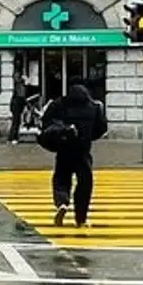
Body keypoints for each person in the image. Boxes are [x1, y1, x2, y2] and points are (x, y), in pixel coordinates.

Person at [40, 83, 107, 227]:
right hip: (83, 150)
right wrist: (88, 136)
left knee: (61, 178)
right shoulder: (94, 107)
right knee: (85, 183)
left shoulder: (60, 104)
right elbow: (101, 128)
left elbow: (46, 122)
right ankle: (81, 218)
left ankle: (62, 203)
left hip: (64, 149)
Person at [8, 76, 28, 145]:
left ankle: (12, 138)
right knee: (16, 122)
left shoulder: (18, 86)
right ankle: (13, 138)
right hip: (16, 106)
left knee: (16, 122)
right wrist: (26, 103)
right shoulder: (21, 86)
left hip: (15, 106)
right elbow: (21, 96)